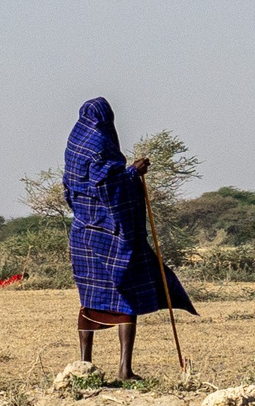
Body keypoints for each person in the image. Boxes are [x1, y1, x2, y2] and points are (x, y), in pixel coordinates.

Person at [63, 97, 195, 380]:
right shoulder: (99, 146)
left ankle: (85, 367)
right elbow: (107, 184)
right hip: (111, 236)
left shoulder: (74, 147)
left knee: (90, 298)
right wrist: (133, 172)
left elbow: (72, 190)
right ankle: (124, 369)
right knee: (126, 296)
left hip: (83, 233)